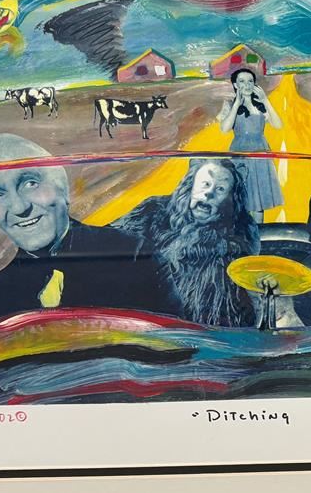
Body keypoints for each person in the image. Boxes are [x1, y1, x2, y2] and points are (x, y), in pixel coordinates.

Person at [0, 133, 172, 323]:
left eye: (30, 183)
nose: (19, 208)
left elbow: (177, 341)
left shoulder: (134, 255)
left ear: (63, 188)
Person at [113, 158, 288, 327]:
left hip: (209, 330)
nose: (209, 193)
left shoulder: (241, 231)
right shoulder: (153, 211)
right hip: (147, 322)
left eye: (220, 189)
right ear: (191, 185)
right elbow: (112, 240)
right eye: (205, 184)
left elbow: (243, 292)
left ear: (230, 200)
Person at [216, 68, 283, 222]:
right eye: (242, 81)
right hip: (240, 155)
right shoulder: (229, 104)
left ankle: (258, 232)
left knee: (258, 201)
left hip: (260, 155)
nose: (247, 85)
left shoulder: (260, 105)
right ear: (235, 85)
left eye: (250, 81)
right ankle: (243, 233)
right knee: (241, 199)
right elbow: (225, 129)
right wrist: (236, 104)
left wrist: (265, 100)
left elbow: (278, 125)